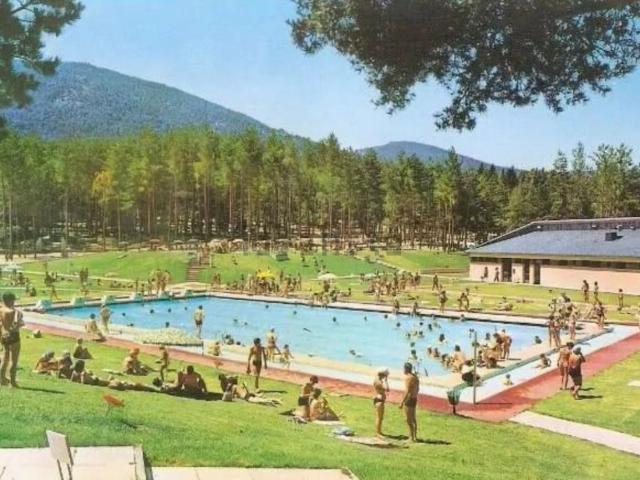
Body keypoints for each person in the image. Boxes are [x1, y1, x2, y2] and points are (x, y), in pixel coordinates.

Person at [0, 292, 24, 387]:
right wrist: (20, 323)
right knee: (14, 360)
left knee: (5, 359)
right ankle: (13, 382)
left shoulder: (1, 309)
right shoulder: (13, 312)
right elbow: (16, 325)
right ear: (10, 300)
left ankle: (2, 379)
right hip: (13, 336)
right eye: (13, 300)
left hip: (4, 336)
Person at [399, 362, 419, 442]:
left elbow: (407, 391)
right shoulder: (415, 377)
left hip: (409, 399)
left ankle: (411, 437)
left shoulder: (408, 378)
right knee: (413, 418)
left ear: (406, 369)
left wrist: (402, 402)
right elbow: (418, 388)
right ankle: (414, 436)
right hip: (414, 398)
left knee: (408, 419)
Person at [373, 368, 389, 437]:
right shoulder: (378, 382)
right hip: (379, 400)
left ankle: (379, 431)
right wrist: (386, 381)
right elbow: (387, 389)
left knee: (380, 418)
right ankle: (377, 433)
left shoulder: (378, 380)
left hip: (379, 400)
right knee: (379, 417)